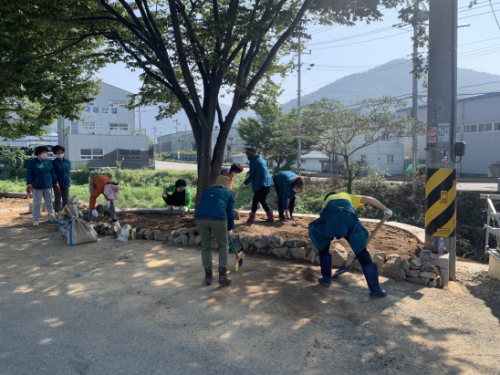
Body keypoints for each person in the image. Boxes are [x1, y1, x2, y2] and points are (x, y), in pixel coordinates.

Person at [309, 192, 393, 299]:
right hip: (349, 216)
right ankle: (375, 290)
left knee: (323, 245)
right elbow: (370, 199)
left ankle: (326, 279)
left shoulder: (326, 202)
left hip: (330, 216)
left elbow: (335, 219)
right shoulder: (347, 196)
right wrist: (386, 209)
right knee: (362, 252)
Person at [195, 176, 235, 286]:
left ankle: (208, 277)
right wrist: (230, 228)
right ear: (227, 186)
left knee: (206, 246)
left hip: (200, 218)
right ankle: (223, 276)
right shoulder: (228, 194)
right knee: (223, 245)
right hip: (218, 218)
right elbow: (230, 214)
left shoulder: (207, 191)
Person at [26, 146, 60, 225]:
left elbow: (53, 173)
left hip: (48, 185)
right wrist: (29, 183)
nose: (45, 154)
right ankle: (36, 219)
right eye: (44, 153)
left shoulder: (48, 162)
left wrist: (56, 183)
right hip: (37, 186)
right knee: (37, 203)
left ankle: (50, 217)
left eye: (46, 153)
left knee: (49, 202)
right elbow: (29, 174)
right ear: (39, 153)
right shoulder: (32, 162)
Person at [240, 148, 274, 224]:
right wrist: (251, 171)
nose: (247, 156)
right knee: (262, 200)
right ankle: (270, 217)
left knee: (255, 201)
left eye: (247, 155)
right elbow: (261, 170)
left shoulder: (253, 162)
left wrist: (244, 183)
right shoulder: (262, 160)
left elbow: (251, 176)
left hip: (260, 184)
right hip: (267, 183)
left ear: (250, 155)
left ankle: (251, 219)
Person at [51, 145, 71, 213]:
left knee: (66, 200)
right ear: (55, 154)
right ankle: (57, 213)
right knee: (57, 199)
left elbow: (68, 172)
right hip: (57, 184)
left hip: (66, 184)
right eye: (58, 152)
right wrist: (56, 183)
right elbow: (53, 173)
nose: (60, 153)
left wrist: (69, 180)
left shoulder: (67, 162)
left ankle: (65, 213)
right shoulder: (53, 162)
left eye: (61, 152)